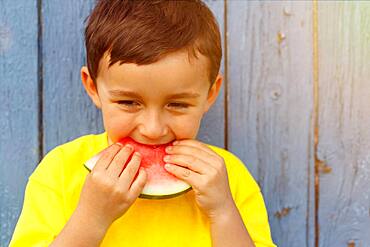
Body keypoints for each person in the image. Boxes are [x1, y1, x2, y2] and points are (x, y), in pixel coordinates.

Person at [10, 0, 276, 246]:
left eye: (178, 104)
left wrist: (223, 212)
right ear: (92, 87)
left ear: (210, 94)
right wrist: (91, 218)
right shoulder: (60, 172)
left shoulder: (228, 178)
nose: (152, 129)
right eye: (128, 103)